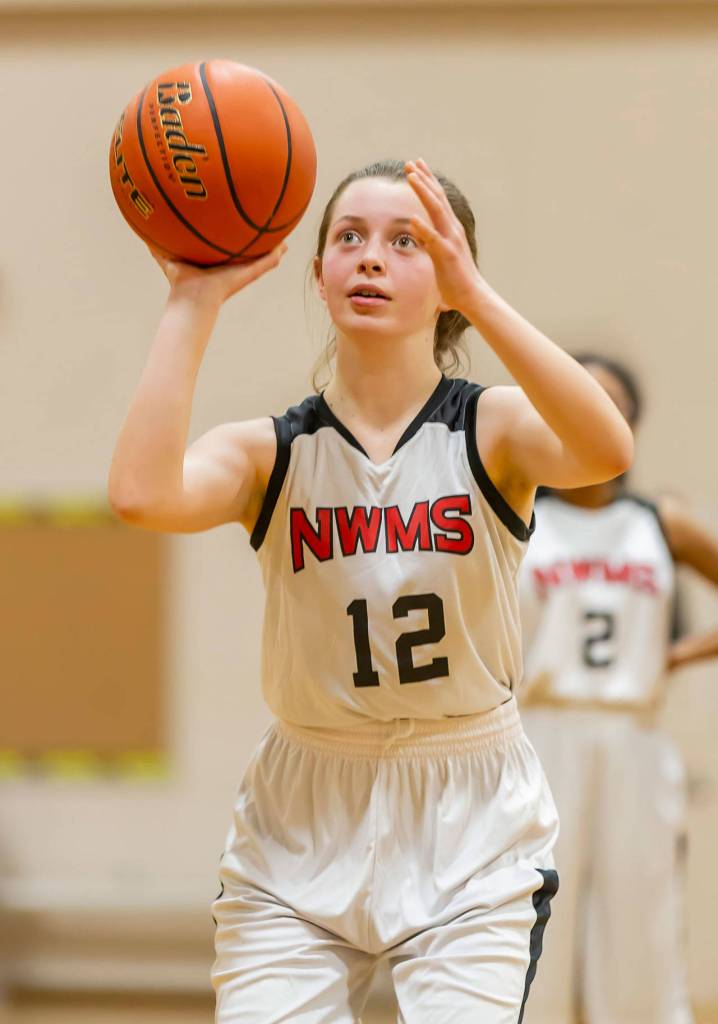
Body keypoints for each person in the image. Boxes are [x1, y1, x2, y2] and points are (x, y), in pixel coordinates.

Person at [108, 158, 633, 1023]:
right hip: (303, 808)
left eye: (407, 242)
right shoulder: (270, 452)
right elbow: (139, 494)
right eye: (348, 238)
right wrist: (191, 301)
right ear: (318, 274)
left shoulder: (489, 430)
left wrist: (484, 297)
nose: (371, 258)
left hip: (470, 809)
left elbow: (606, 448)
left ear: (450, 278)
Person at [519, 354, 718, 1024]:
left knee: (641, 918)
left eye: (610, 404)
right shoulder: (515, 516)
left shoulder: (662, 522)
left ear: (629, 423)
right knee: (527, 921)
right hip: (536, 735)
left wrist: (678, 654)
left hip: (633, 735)